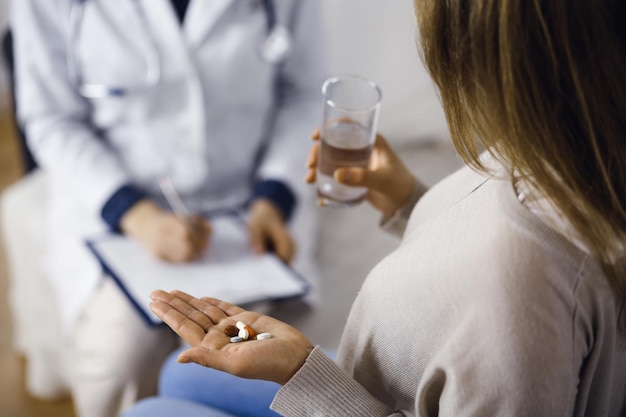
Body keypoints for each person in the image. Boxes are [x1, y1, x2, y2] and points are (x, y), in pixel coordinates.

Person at [120, 0, 626, 415]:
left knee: (149, 412)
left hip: (356, 401)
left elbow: (505, 274)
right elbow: (479, 247)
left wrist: (306, 378)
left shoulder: (520, 287)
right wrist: (409, 201)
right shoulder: (568, 151)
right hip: (375, 384)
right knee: (176, 376)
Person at [10, 1, 325, 416]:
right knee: (116, 364)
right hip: (116, 211)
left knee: (238, 360)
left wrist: (274, 197)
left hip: (241, 210)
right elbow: (51, 118)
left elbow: (304, 94)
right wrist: (134, 214)